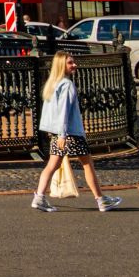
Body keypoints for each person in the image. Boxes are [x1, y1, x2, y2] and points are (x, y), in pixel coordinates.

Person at [31, 52, 117, 212]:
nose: (74, 65)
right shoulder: (67, 85)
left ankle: (39, 197)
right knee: (87, 165)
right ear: (62, 65)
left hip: (58, 133)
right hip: (70, 133)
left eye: (73, 62)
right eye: (70, 63)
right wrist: (63, 134)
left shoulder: (52, 84)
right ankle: (101, 200)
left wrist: (57, 134)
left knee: (51, 166)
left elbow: (52, 113)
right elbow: (64, 112)